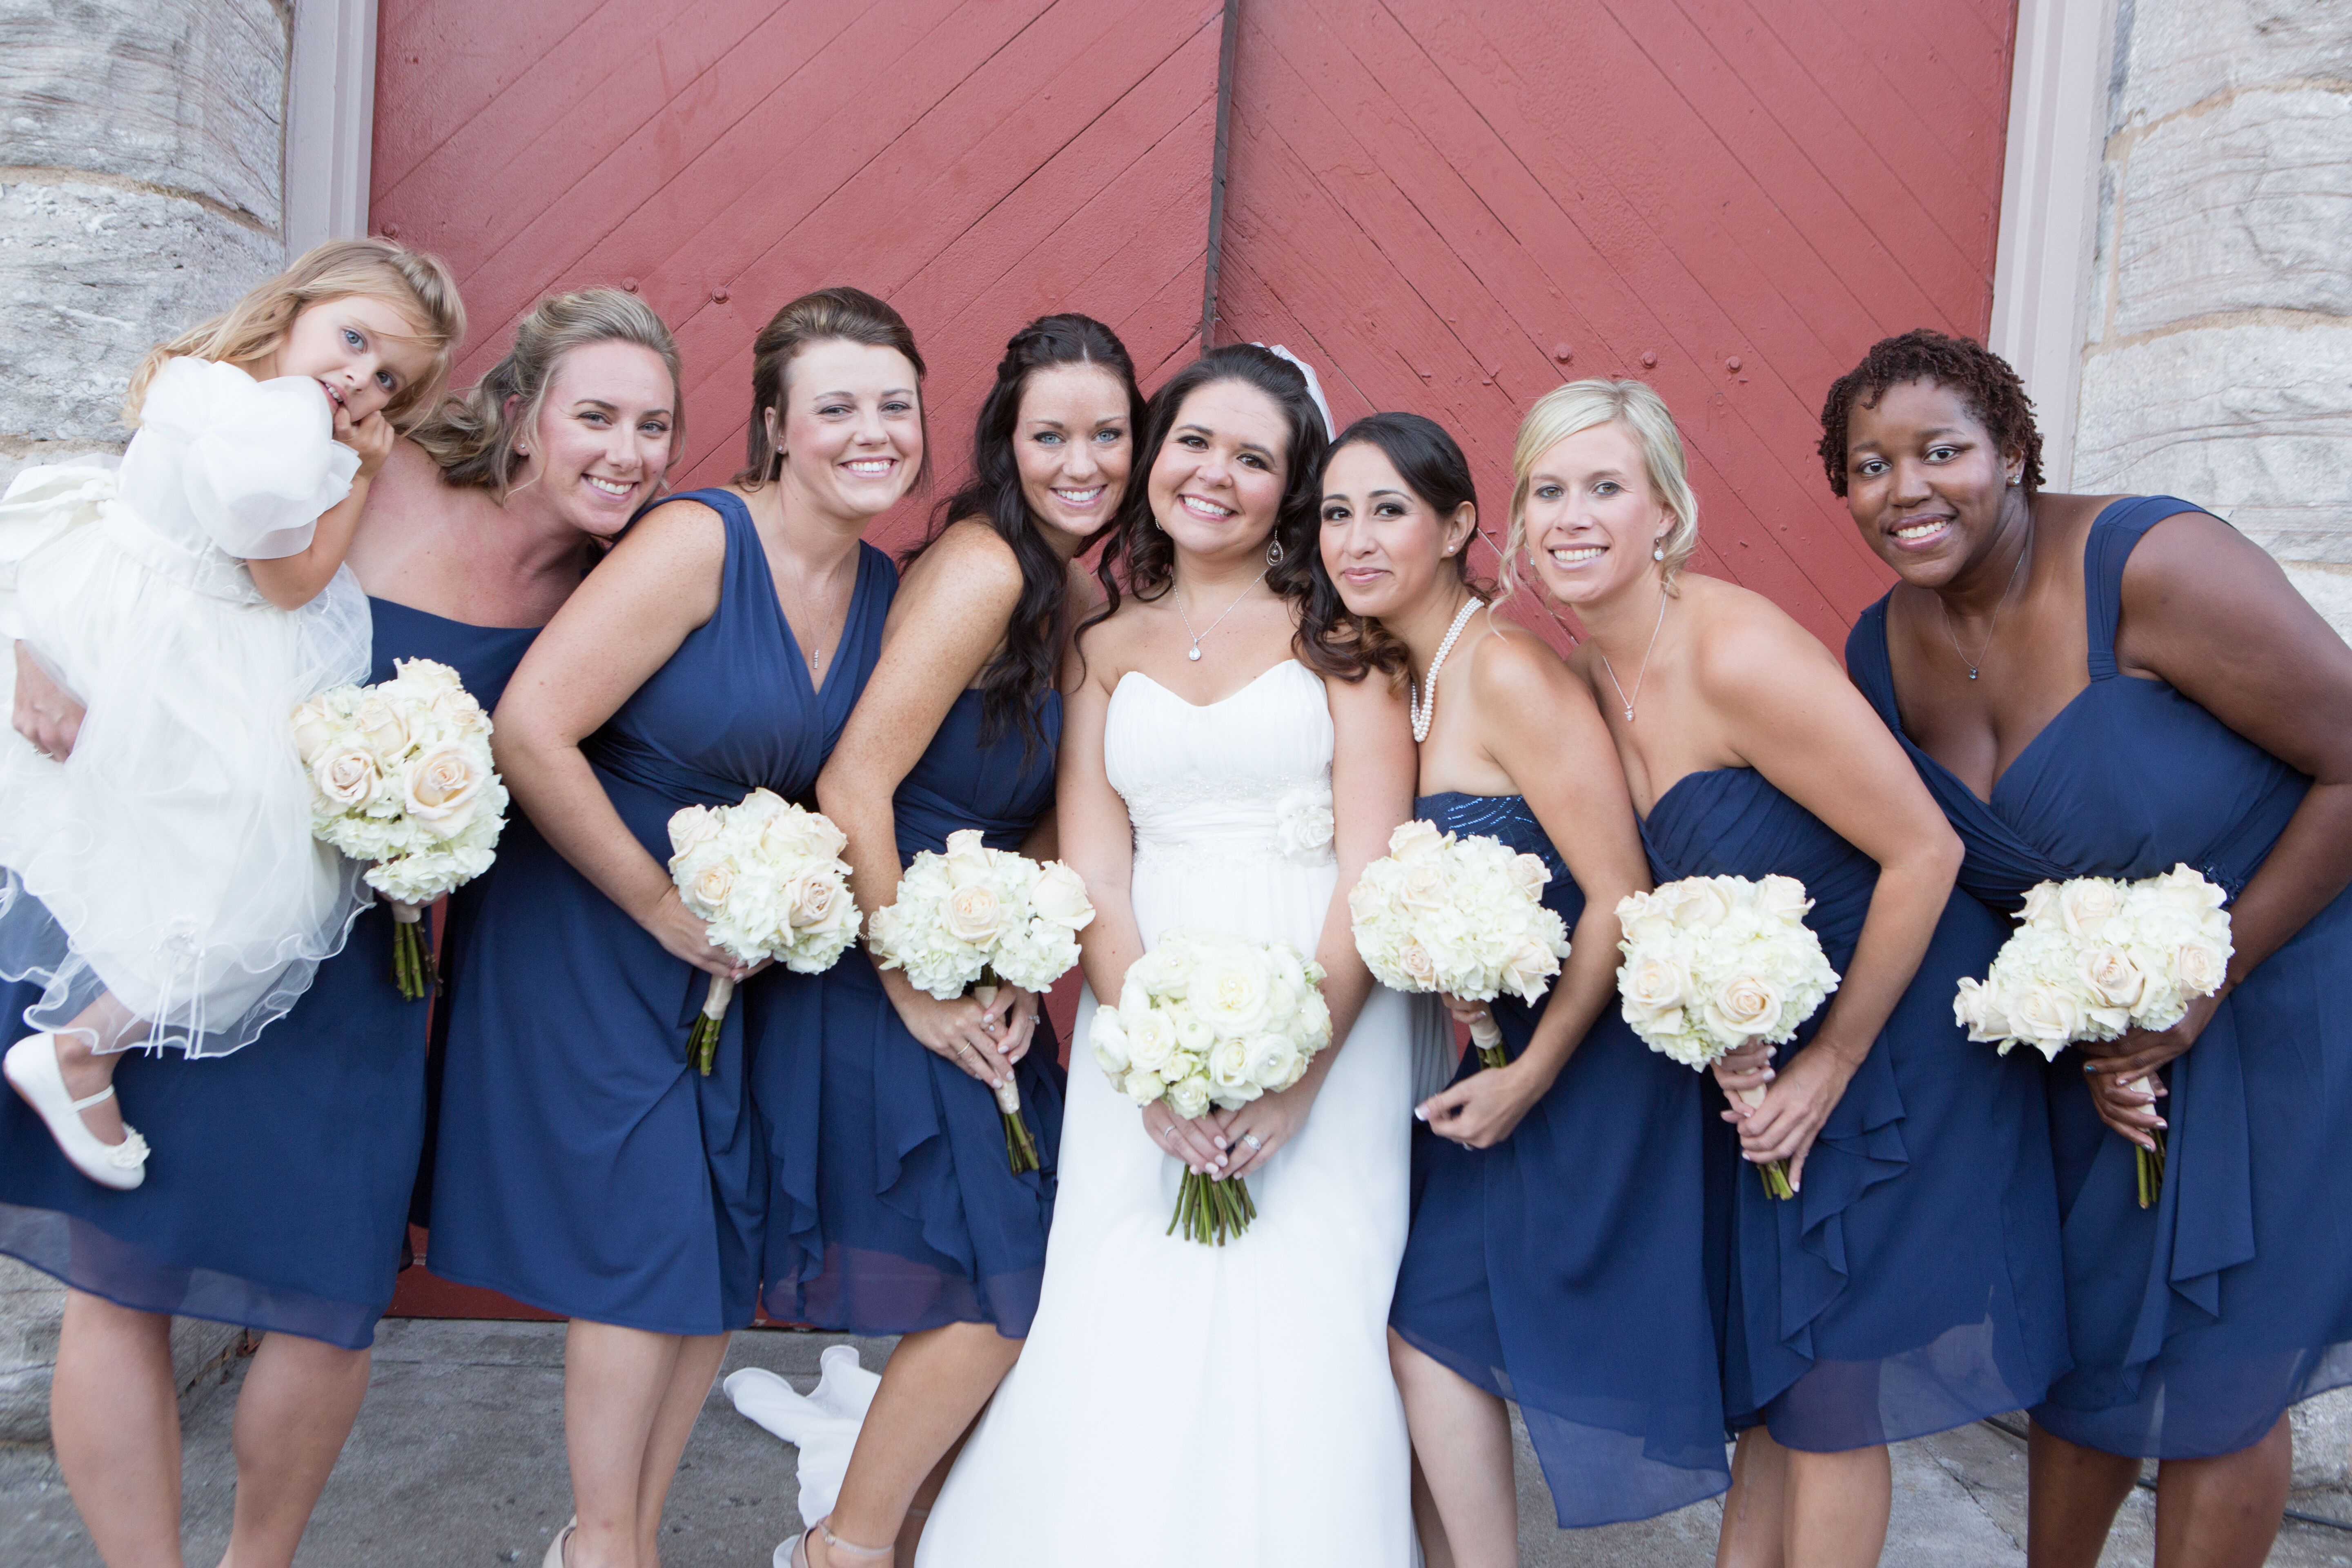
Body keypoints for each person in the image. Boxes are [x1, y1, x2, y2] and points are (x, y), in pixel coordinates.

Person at [0, 285, 682, 1568]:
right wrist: (27, 634)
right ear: (522, 415)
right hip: (183, 916)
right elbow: (139, 509)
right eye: (596, 415)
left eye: (654, 427)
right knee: (122, 1276)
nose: (626, 453)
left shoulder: (625, 583)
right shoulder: (373, 462)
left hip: (372, 972)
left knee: (327, 1300)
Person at [1831, 328, 2352, 1568]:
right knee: (2092, 1343)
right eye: (1869, 467)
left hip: (2279, 994)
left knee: (2222, 1361)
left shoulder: (2154, 567)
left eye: (1940, 451)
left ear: (2012, 450)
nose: (1906, 490)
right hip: (2093, 1034)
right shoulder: (1880, 654)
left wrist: (2209, 988)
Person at [1530, 377, 2067, 1568]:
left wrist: (1830, 1063)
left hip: (1904, 1032)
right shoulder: (1579, 684)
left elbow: (1920, 850)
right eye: (1547, 490)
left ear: (1664, 513)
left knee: (1834, 1394)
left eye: (1605, 488)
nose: (1571, 516)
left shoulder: (1732, 653)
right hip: (1775, 1055)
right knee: (1789, 1379)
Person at [426, 286, 913, 1568]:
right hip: (593, 923)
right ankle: (603, 1544)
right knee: (647, 1242)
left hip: (734, 955)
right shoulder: (699, 542)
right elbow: (533, 731)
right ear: (774, 427)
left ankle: (619, 1535)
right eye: (838, 407)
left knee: (714, 1247)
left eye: (896, 407)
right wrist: (655, 903)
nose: (872, 432)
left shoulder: (886, 588)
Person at [911, 344, 1420, 1566]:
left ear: (1290, 487)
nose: (1215, 475)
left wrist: (1299, 1072)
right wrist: (1154, 1057)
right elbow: (1094, 868)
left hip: (1327, 1012)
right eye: (1194, 443)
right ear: (1155, 458)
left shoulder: (1340, 634)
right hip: (1142, 1016)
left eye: (1255, 458)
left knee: (1302, 1309)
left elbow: (1375, 866)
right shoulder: (1106, 644)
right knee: (1127, 1295)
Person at [1310, 411, 1728, 1560]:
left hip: (1578, 1067)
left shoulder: (1503, 672)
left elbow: (1615, 891)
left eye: (1388, 510)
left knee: (1431, 1332)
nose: (1355, 538)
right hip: (1491, 1058)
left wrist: (1532, 1076)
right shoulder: (1411, 674)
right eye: (1336, 512)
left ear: (1457, 527)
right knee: (1432, 1333)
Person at [767, 313, 1145, 1567]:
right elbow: (854, 786)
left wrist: (1019, 956)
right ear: (1005, 441)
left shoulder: (1080, 592)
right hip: (895, 971)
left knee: (1011, 1276)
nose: (1080, 460)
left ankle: (885, 1538)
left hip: (979, 974)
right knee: (999, 1287)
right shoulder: (986, 567)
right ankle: (848, 1549)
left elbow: (1049, 823)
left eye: (1107, 434)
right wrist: (913, 981)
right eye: (1051, 435)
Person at [0, 238, 463, 1187]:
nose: (358, 379)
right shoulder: (280, 425)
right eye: (352, 338)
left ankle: (78, 1049)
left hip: (121, 617)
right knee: (266, 904)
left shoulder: (207, 385)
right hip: (182, 656)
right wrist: (364, 478)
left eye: (387, 379)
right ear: (296, 307)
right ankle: (82, 1049)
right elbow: (290, 582)